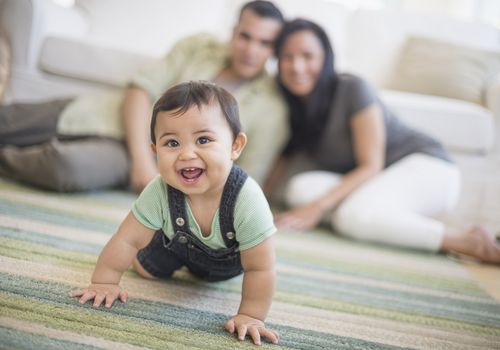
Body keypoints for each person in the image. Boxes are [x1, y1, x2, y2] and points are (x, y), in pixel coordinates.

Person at [267, 18, 500, 264]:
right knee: (299, 189)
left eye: (307, 56)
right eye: (287, 57)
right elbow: (281, 163)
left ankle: (468, 242)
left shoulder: (352, 88)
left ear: (326, 58)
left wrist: (317, 208)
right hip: (376, 184)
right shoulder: (294, 105)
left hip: (428, 168)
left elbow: (371, 165)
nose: (297, 67)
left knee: (351, 216)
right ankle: (396, 224)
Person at [69, 81, 279, 345]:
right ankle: (155, 260)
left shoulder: (246, 199)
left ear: (235, 146)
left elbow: (261, 267)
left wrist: (251, 314)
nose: (187, 153)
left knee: (238, 271)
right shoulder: (159, 190)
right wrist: (105, 282)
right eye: (172, 143)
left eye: (203, 139)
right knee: (145, 268)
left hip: (227, 265)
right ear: (155, 151)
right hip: (172, 247)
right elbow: (127, 239)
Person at [0, 0, 287, 193]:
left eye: (264, 43)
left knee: (64, 168)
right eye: (245, 36)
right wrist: (142, 161)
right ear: (234, 32)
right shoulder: (198, 46)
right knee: (8, 121)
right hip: (105, 116)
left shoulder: (272, 107)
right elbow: (140, 89)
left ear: (274, 50)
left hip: (132, 158)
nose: (251, 50)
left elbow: (246, 180)